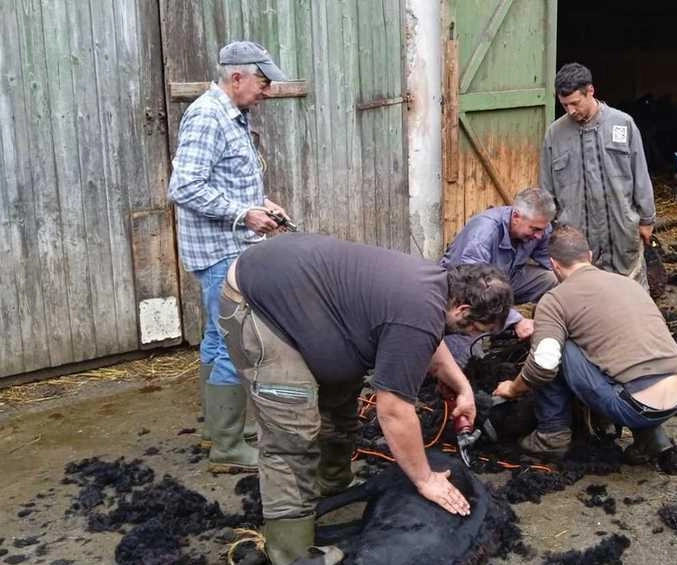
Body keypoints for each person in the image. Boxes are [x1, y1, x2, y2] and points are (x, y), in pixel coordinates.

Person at [218, 233, 512, 565]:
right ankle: (291, 550)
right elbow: (394, 411)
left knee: (341, 401)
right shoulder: (418, 309)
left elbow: (428, 335)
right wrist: (425, 479)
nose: (471, 336)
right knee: (292, 433)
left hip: (303, 293)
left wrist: (463, 387)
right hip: (260, 304)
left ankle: (331, 486)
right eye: (474, 329)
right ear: (463, 308)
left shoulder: (436, 289)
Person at [168, 40, 291, 472]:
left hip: (230, 244)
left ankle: (219, 431)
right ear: (236, 77)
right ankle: (227, 447)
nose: (267, 91)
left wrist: (262, 203)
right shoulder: (207, 116)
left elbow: (224, 180)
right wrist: (244, 213)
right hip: (221, 249)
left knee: (216, 339)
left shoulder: (234, 115)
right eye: (263, 81)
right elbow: (183, 187)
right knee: (232, 343)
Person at [492, 226, 677, 463]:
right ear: (590, 256)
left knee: (557, 349)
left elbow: (543, 366)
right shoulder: (627, 284)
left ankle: (551, 436)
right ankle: (651, 437)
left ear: (553, 264)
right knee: (614, 346)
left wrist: (512, 389)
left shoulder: (555, 300)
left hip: (633, 406)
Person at [539, 62, 656, 288]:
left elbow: (640, 176)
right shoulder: (555, 134)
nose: (571, 111)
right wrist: (552, 230)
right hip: (578, 236)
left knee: (630, 289)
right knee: (584, 294)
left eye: (575, 103)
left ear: (590, 91)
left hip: (620, 230)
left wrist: (646, 219)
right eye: (564, 105)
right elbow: (547, 189)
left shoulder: (623, 124)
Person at [441, 187, 558, 368]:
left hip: (505, 279)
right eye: (535, 229)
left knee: (550, 279)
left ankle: (547, 328)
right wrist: (516, 320)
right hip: (464, 292)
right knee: (471, 357)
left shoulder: (540, 227)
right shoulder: (483, 233)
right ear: (516, 216)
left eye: (542, 230)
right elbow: (473, 290)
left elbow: (553, 263)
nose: (539, 236)